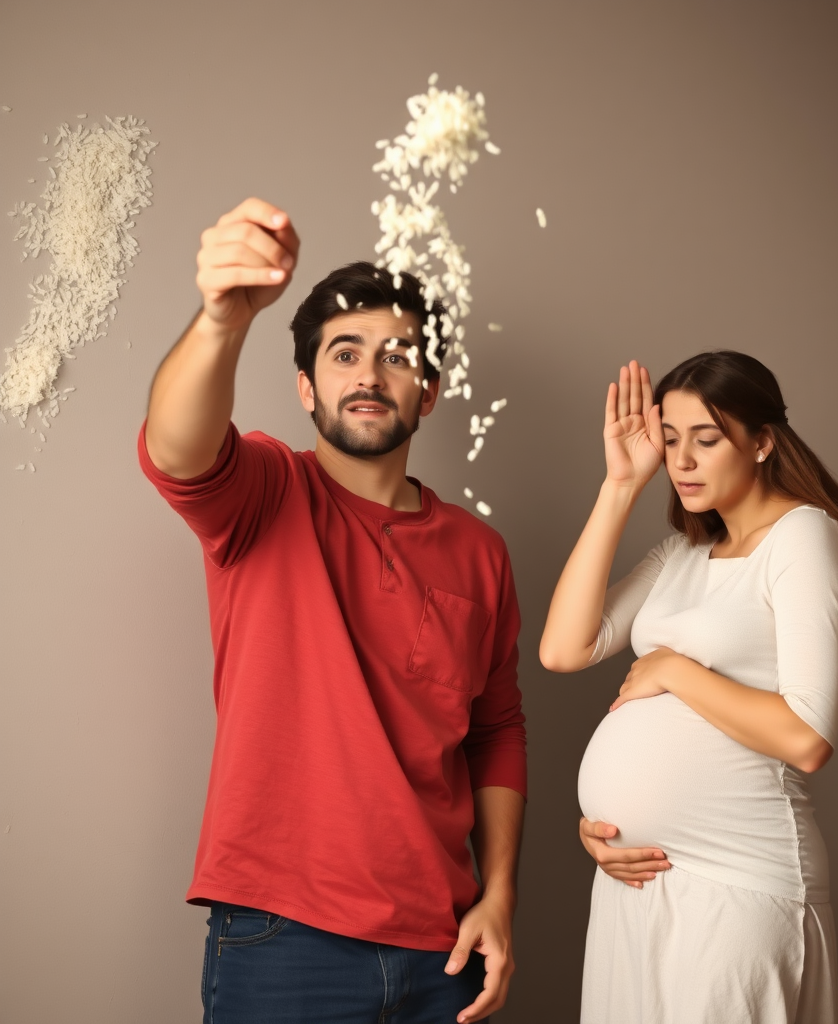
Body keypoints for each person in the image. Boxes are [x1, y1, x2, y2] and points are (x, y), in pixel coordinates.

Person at [140, 197, 526, 1024]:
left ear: (427, 391)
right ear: (308, 388)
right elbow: (176, 447)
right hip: (283, 943)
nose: (368, 374)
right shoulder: (266, 492)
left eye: (397, 357)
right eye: (345, 353)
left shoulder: (480, 552)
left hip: (445, 950)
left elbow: (496, 731)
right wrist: (220, 322)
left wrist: (498, 897)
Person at [540, 354, 838, 1023]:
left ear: (762, 441)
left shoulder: (804, 537)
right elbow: (564, 648)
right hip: (636, 882)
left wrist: (674, 670)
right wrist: (620, 486)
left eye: (706, 439)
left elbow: (806, 738)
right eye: (671, 438)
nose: (682, 460)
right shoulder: (682, 552)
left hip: (737, 882)